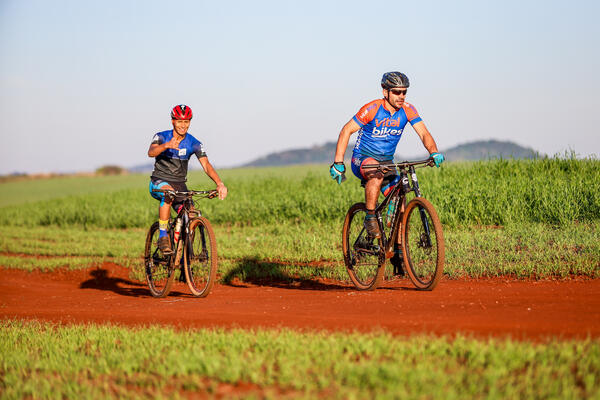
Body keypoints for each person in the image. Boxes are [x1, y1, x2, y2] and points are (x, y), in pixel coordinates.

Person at [330, 72, 444, 268]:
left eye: (404, 92)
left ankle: (398, 252)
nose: (401, 96)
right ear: (386, 91)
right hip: (363, 160)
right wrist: (338, 163)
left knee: (400, 199)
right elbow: (346, 130)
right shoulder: (372, 108)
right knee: (375, 175)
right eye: (397, 92)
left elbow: (424, 133)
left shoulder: (408, 110)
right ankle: (370, 216)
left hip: (387, 162)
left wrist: (433, 152)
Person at [148, 104, 227, 254]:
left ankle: (185, 260)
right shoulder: (161, 136)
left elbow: (206, 165)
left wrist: (219, 183)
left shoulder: (194, 143)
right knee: (168, 193)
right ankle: (163, 236)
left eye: (186, 122)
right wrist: (166, 146)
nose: (183, 125)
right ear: (173, 121)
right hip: (159, 182)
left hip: (180, 185)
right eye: (179, 121)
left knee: (190, 215)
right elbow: (151, 152)